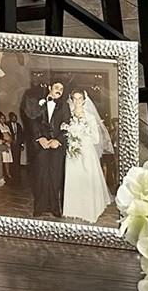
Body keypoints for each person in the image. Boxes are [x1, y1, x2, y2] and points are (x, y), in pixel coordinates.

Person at [61, 89, 113, 223]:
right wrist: (70, 134)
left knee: (87, 178)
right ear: (71, 100)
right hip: (72, 152)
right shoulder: (68, 115)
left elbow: (96, 139)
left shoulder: (90, 117)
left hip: (87, 151)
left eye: (80, 98)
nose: (77, 101)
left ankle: (89, 211)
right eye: (75, 98)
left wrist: (82, 133)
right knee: (73, 178)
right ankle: (73, 210)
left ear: (84, 100)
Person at [24, 79, 68, 218]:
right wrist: (40, 138)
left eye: (61, 88)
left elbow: (67, 125)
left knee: (55, 177)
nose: (59, 90)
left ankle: (55, 208)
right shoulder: (38, 102)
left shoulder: (65, 106)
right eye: (56, 87)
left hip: (56, 146)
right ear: (50, 87)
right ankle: (39, 207)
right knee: (40, 176)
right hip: (41, 145)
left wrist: (58, 140)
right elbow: (32, 121)